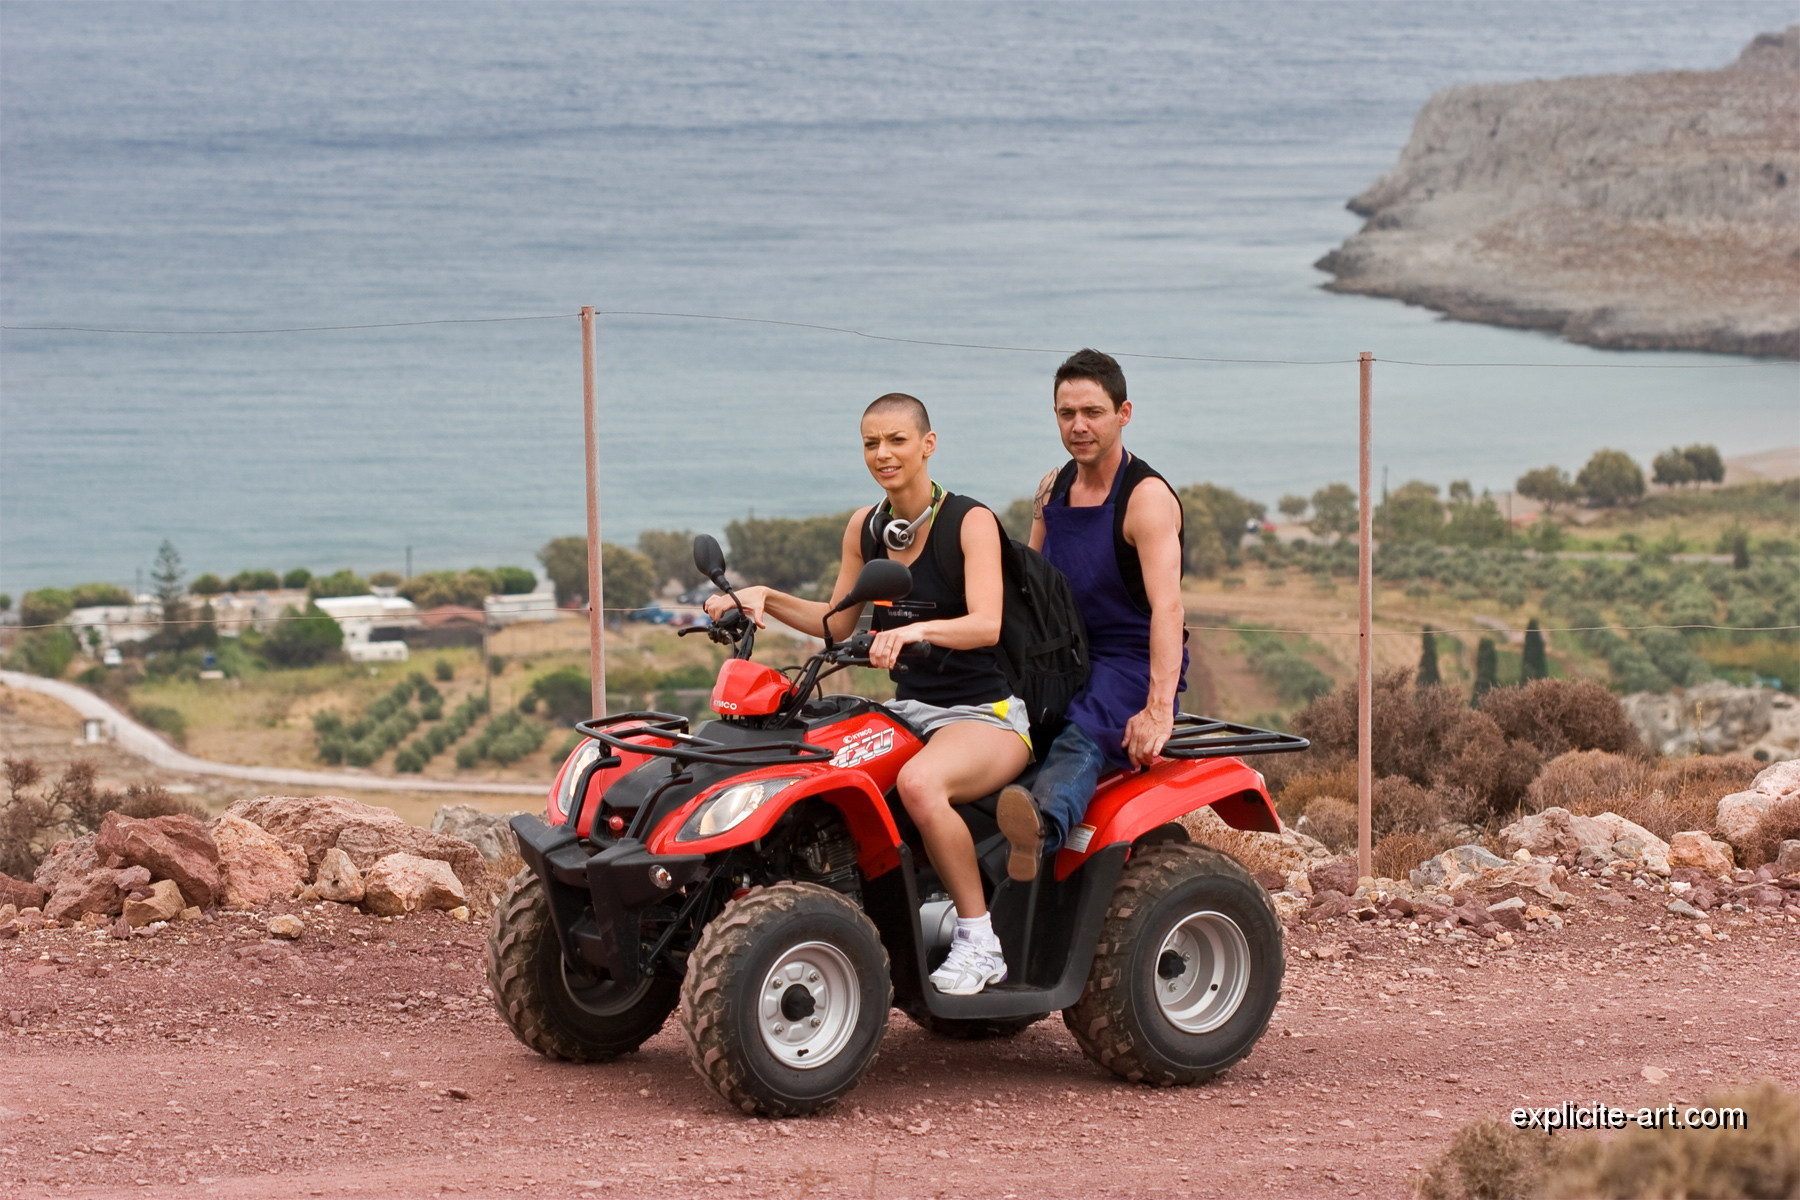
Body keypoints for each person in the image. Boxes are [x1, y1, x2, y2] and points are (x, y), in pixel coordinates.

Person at [704, 393, 1031, 994]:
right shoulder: (867, 527)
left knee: (921, 783)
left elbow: (987, 624)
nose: (884, 454)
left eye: (897, 440)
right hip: (908, 712)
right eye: (871, 443)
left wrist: (915, 631)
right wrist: (762, 597)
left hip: (986, 714)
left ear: (928, 445)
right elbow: (836, 623)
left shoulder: (970, 521)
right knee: (813, 770)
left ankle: (980, 940)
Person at [996, 349, 1188, 881]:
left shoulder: (1146, 499)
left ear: (1123, 413)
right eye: (1067, 414)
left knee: (1084, 732)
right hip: (1061, 651)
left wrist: (1157, 709)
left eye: (1092, 412)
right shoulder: (1052, 488)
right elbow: (1031, 585)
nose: (1078, 426)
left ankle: (1041, 827)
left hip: (1127, 659)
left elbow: (1169, 608)